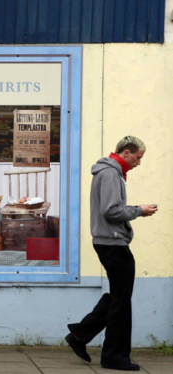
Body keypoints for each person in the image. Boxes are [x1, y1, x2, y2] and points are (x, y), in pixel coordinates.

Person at [65, 136, 157, 371]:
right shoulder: (110, 173)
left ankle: (80, 334)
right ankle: (113, 356)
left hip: (110, 242)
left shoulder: (111, 172)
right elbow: (111, 210)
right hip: (112, 244)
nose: (139, 163)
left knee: (118, 297)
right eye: (138, 157)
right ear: (126, 153)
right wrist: (139, 210)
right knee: (121, 301)